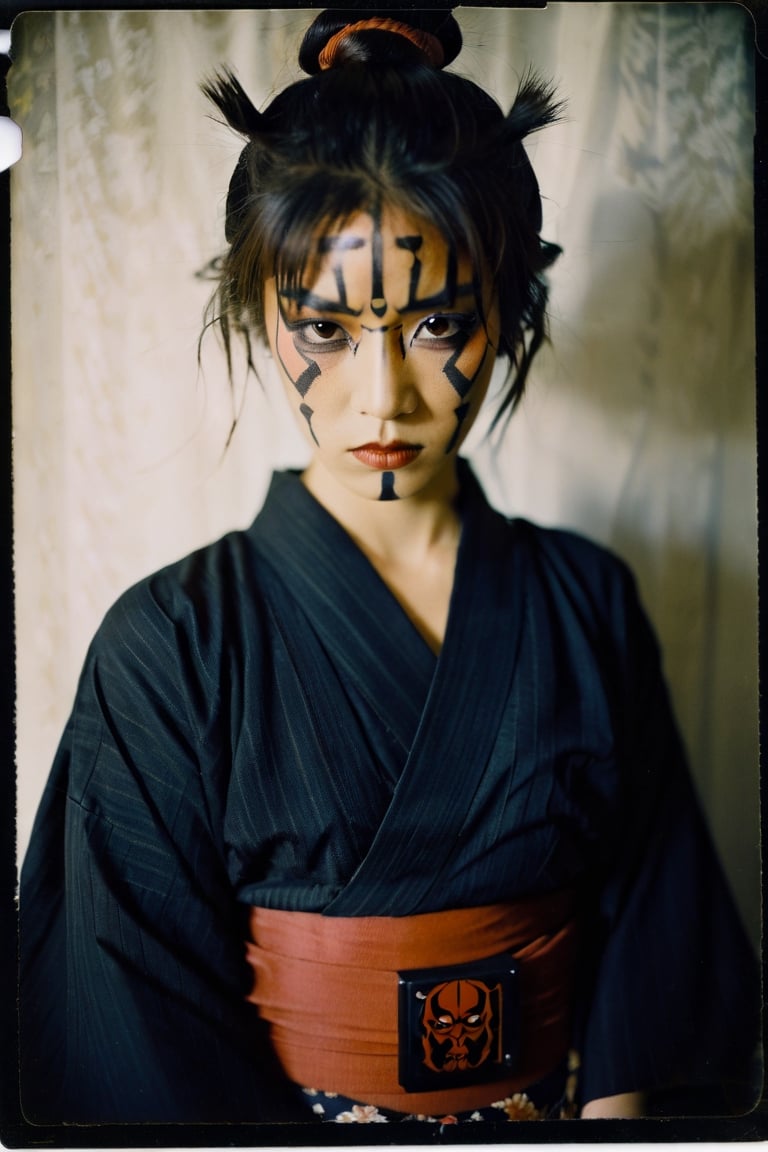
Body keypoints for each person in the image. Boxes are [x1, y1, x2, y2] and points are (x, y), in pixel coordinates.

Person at [18, 7, 759, 1127]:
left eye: (435, 324)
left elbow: (655, 947)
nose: (382, 396)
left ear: (506, 315)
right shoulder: (167, 645)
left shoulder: (584, 601)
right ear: (257, 309)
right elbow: (129, 1010)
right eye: (323, 329)